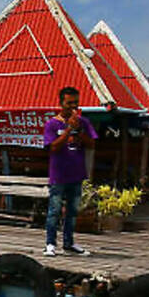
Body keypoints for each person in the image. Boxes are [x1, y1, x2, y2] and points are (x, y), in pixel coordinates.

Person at [43, 87, 97, 257]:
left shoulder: (84, 122)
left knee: (72, 213)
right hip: (59, 175)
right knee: (54, 211)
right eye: (69, 103)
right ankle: (50, 244)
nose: (73, 106)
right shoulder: (52, 124)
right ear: (61, 103)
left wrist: (80, 130)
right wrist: (67, 130)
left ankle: (69, 243)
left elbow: (92, 144)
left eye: (76, 103)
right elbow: (52, 147)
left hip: (76, 174)